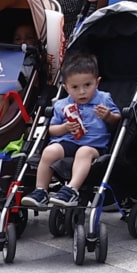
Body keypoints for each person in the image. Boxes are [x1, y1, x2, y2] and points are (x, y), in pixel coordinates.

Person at [39, 56, 120, 206]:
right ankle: (41, 190)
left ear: (97, 82)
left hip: (93, 145)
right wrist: (64, 128)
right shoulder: (62, 105)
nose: (82, 92)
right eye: (75, 87)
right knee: (49, 151)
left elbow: (118, 120)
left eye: (87, 85)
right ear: (66, 88)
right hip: (68, 141)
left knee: (83, 152)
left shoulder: (103, 99)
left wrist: (108, 116)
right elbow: (52, 130)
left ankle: (72, 189)